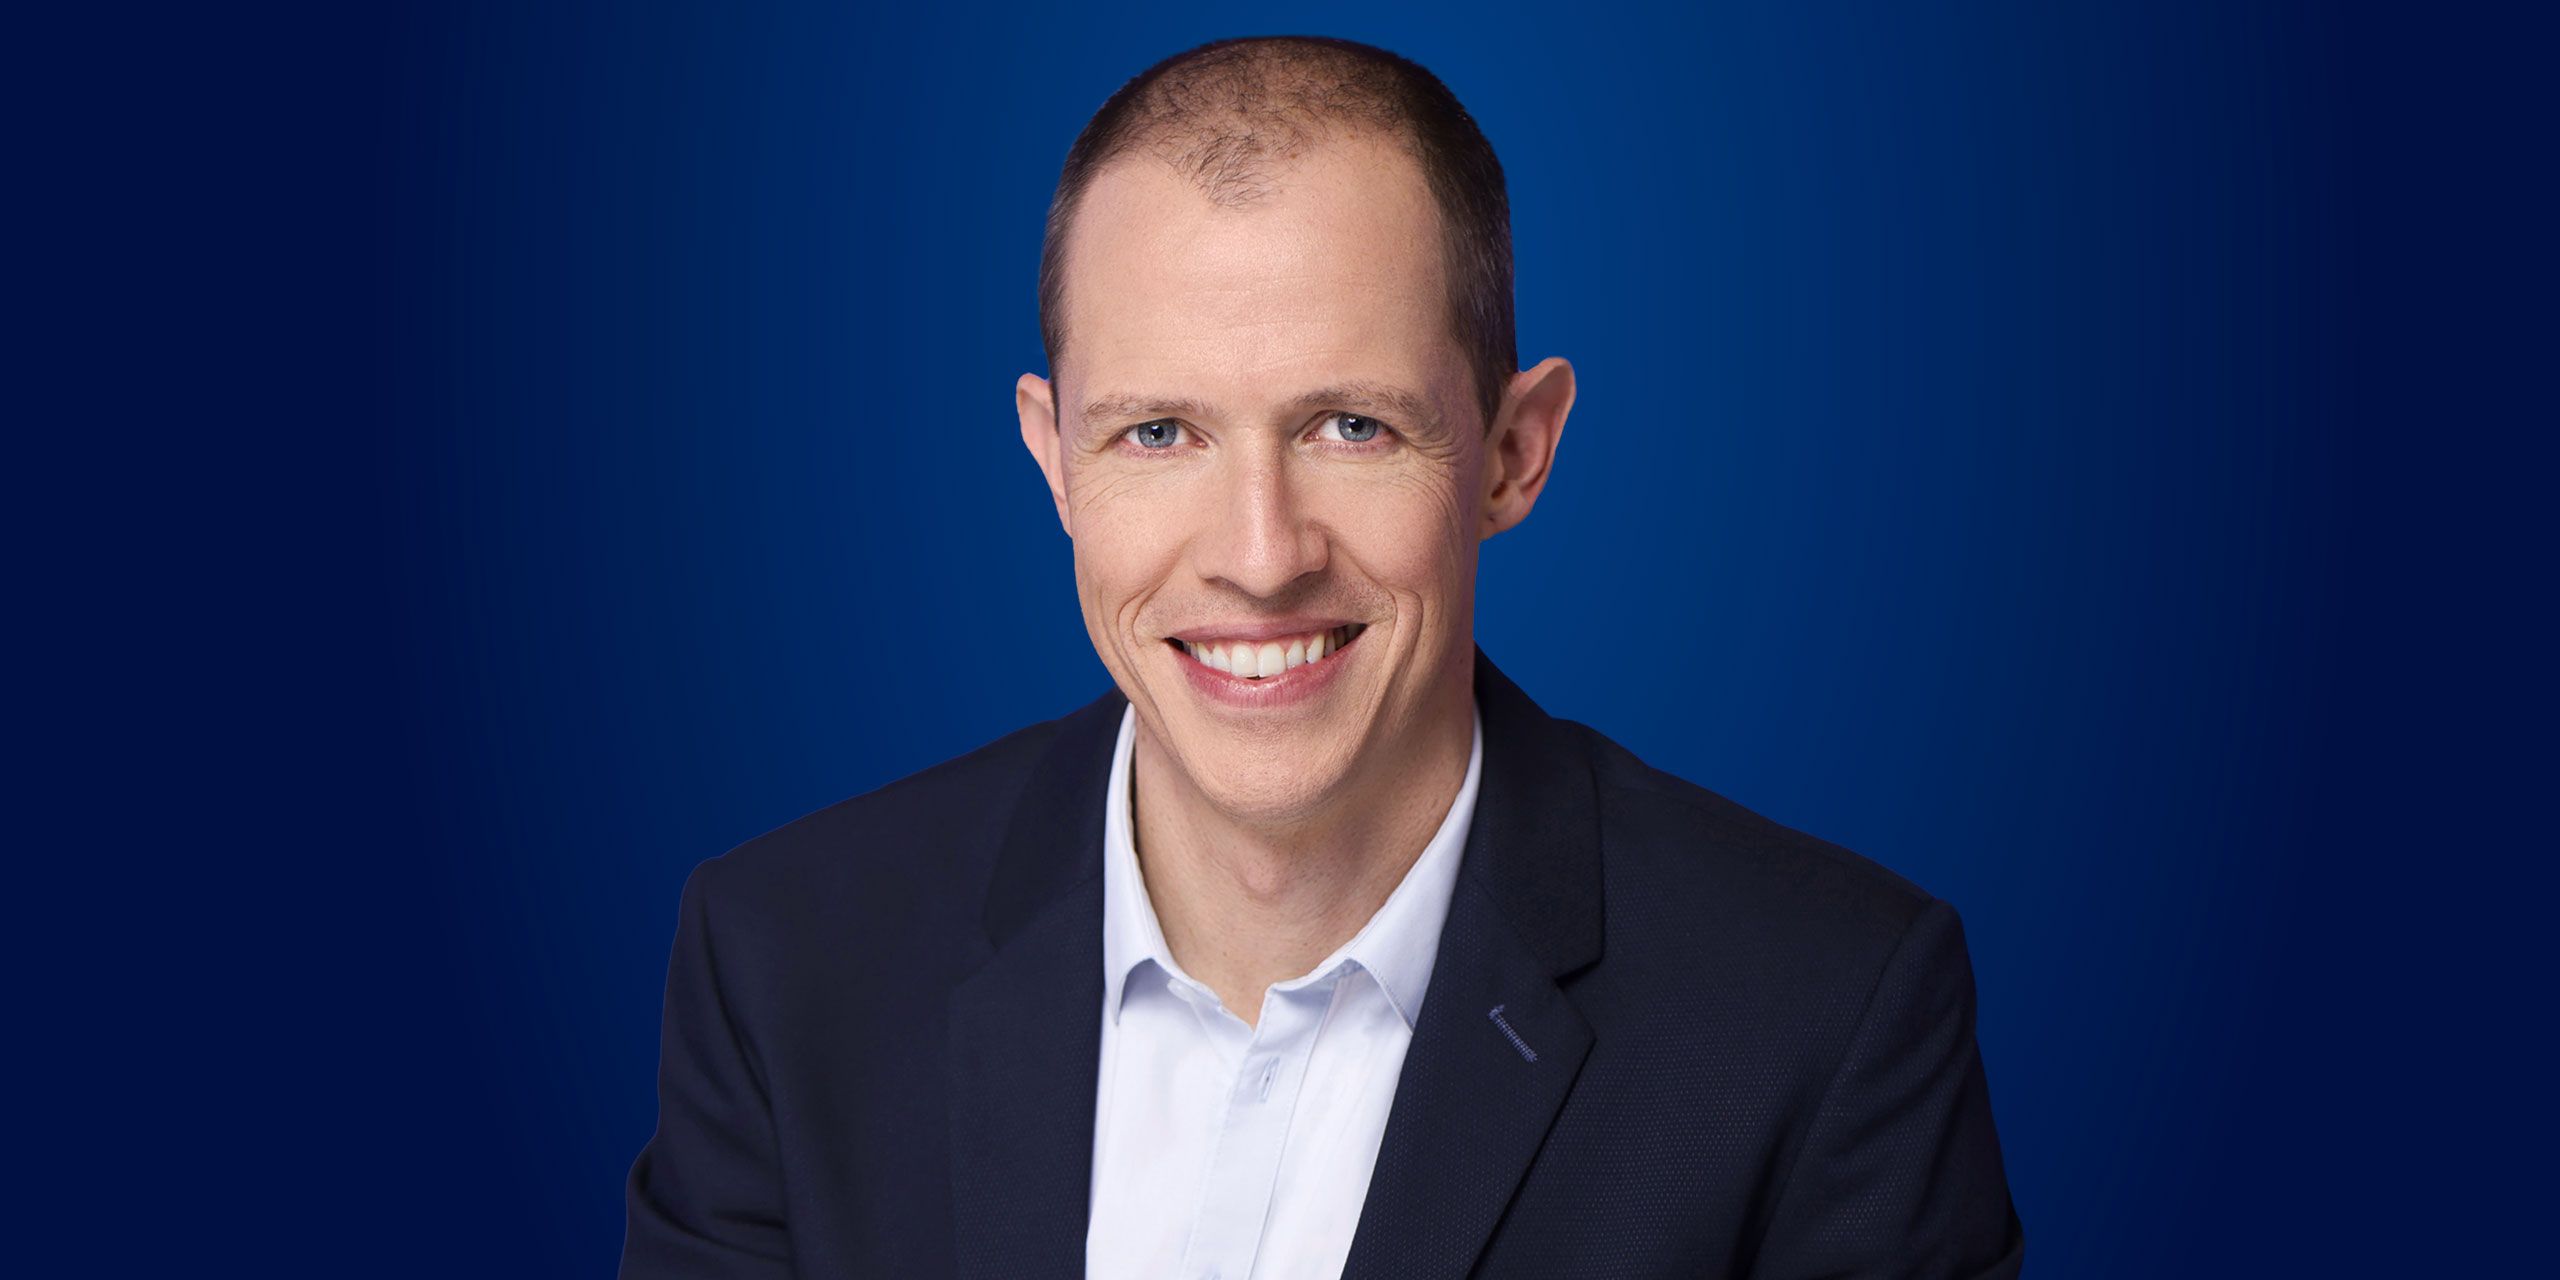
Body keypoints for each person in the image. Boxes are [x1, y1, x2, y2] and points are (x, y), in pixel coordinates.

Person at [619, 34, 2022, 1280]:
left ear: (1513, 453)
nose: (1260, 553)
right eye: (1157, 433)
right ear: (1054, 460)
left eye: (1352, 426)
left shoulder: (1826, 1017)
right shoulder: (784, 964)